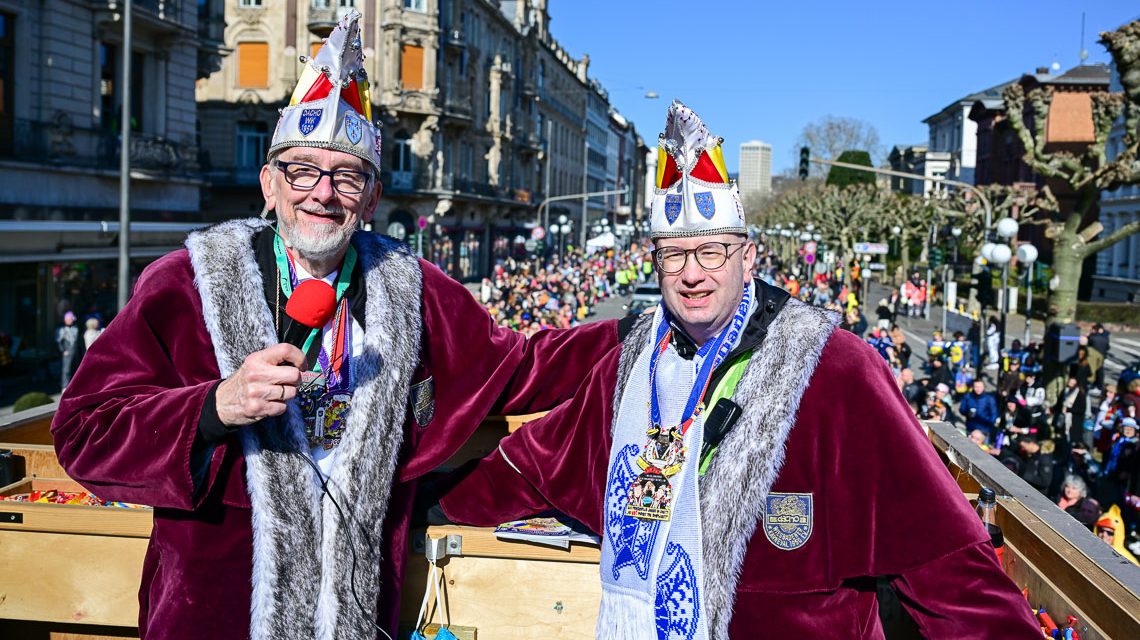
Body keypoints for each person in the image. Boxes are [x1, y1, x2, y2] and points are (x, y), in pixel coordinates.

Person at [50, 14, 617, 640]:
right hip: (211, 614)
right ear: (269, 185)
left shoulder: (416, 289)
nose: (322, 193)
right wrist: (214, 407)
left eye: (346, 176)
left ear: (370, 199)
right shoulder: (186, 284)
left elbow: (522, 369)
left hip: (355, 616)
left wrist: (643, 328)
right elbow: (85, 432)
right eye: (302, 171)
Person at [437, 102, 1041, 638]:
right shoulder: (631, 364)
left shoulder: (837, 369)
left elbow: (944, 560)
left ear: (747, 257)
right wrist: (418, 505)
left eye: (711, 251)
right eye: (673, 255)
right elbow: (534, 467)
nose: (691, 274)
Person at [56, 310, 81, 390]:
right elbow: (58, 342)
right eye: (71, 319)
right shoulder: (61, 329)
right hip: (67, 351)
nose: (72, 321)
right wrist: (63, 350)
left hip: (75, 351)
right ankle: (65, 386)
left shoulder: (75, 328)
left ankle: (73, 385)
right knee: (66, 369)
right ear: (66, 320)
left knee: (75, 369)